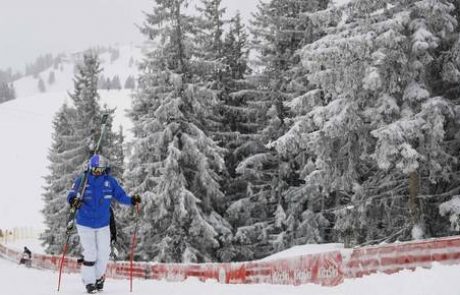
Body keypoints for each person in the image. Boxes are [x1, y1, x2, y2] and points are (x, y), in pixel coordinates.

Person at [67, 154, 141, 294]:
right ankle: (89, 282)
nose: (97, 172)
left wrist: (132, 200)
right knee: (90, 252)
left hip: (103, 224)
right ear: (90, 167)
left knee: (104, 253)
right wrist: (74, 201)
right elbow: (71, 194)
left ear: (104, 169)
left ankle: (98, 278)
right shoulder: (82, 180)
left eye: (100, 169)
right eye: (95, 169)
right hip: (85, 222)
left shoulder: (110, 181)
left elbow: (121, 196)